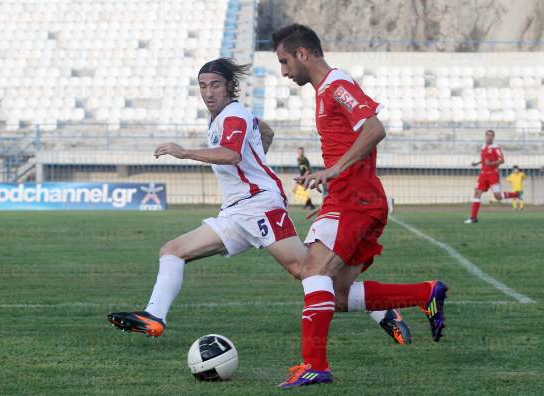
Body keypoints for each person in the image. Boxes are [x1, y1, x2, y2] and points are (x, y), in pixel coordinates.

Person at [106, 58, 410, 346]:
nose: (208, 92)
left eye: (215, 85)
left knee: (309, 272)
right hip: (236, 211)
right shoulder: (226, 118)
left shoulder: (233, 115)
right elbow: (265, 131)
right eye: (202, 85)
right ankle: (154, 317)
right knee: (172, 251)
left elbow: (231, 154)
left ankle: (382, 309)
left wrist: (185, 152)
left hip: (258, 206)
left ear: (228, 87)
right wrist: (256, 159)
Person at [272, 24, 448, 388]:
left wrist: (335, 170)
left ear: (303, 54)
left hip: (356, 200)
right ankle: (425, 292)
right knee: (334, 294)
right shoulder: (325, 91)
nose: (285, 71)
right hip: (348, 198)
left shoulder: (336, 85)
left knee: (312, 271)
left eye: (285, 61)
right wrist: (332, 182)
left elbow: (374, 128)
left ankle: (315, 364)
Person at [465, 130, 519, 223]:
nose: (489, 137)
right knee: (477, 193)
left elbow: (502, 160)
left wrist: (491, 163)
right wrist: (477, 163)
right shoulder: (483, 147)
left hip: (493, 175)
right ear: (485, 136)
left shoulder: (496, 148)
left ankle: (516, 194)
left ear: (493, 137)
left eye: (491, 136)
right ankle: (473, 218)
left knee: (497, 196)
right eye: (488, 135)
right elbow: (484, 159)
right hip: (483, 175)